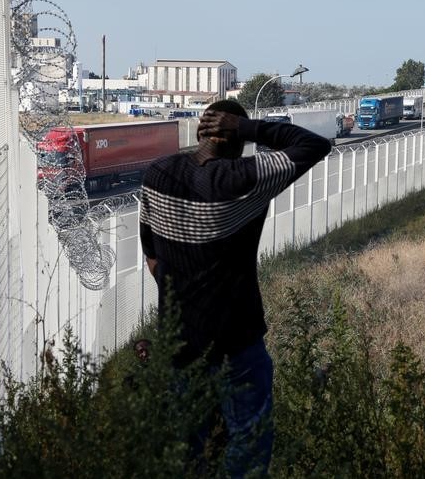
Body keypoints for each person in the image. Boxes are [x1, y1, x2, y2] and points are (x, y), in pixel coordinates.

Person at [139, 99, 331, 476]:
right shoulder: (246, 180)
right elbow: (314, 145)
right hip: (237, 346)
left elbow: (153, 260)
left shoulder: (157, 175)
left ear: (199, 133)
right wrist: (249, 127)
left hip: (179, 345)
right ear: (236, 139)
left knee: (188, 449)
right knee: (249, 441)